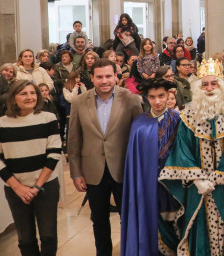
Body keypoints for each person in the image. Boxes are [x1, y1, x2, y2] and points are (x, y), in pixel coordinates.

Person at [158, 59, 224, 256]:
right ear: (198, 88)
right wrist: (197, 178)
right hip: (198, 189)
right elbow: (182, 150)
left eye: (214, 83)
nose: (210, 88)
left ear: (221, 87)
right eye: (205, 84)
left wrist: (220, 177)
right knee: (198, 227)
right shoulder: (188, 117)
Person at [67, 58, 143, 256]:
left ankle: (130, 251)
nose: (104, 81)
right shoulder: (79, 101)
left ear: (116, 77)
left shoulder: (131, 99)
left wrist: (139, 171)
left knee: (128, 217)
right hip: (93, 171)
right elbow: (74, 140)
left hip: (124, 169)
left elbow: (139, 137)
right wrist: (76, 173)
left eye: (109, 76)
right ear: (92, 78)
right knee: (98, 218)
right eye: (99, 77)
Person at [0, 80, 62, 256]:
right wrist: (18, 187)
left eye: (32, 93)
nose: (30, 97)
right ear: (13, 98)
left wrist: (37, 186)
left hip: (46, 186)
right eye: (24, 93)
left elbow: (54, 152)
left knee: (48, 235)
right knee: (25, 238)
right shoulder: (2, 123)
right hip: (15, 189)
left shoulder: (48, 118)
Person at [121, 79, 181, 256]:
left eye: (161, 96)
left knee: (173, 225)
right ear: (146, 98)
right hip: (147, 184)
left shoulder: (178, 119)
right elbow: (135, 158)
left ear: (169, 95)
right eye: (152, 97)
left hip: (172, 185)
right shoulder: (140, 123)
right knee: (151, 222)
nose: (157, 101)